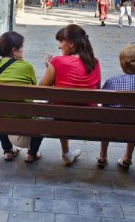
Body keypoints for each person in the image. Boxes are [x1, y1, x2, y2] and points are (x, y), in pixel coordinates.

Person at [40, 24, 101, 166]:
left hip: (61, 118)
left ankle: (64, 152)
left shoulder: (56, 61)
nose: (59, 47)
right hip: (88, 118)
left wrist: (49, 69)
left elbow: (41, 90)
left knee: (59, 105)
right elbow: (97, 88)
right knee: (64, 104)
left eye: (61, 42)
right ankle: (68, 153)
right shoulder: (95, 63)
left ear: (71, 44)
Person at [0, 32, 43, 162]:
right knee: (42, 114)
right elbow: (34, 90)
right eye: (21, 47)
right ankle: (32, 153)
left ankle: (7, 150)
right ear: (14, 50)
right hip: (23, 120)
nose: (23, 50)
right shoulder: (26, 66)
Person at [97, 44, 135, 169]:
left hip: (112, 126)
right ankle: (128, 157)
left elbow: (104, 105)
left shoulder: (111, 82)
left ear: (122, 64)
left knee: (105, 117)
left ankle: (103, 155)